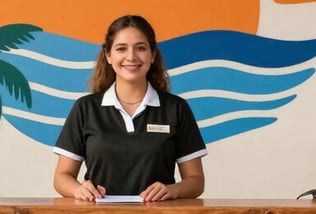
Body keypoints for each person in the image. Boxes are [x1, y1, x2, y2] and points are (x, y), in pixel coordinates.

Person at [53, 14, 206, 201]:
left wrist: (173, 190)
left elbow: (196, 180)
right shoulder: (86, 108)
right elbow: (62, 177)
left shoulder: (176, 108)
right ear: (108, 55)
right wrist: (78, 190)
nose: (131, 57)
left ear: (152, 55)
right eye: (121, 49)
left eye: (140, 48)